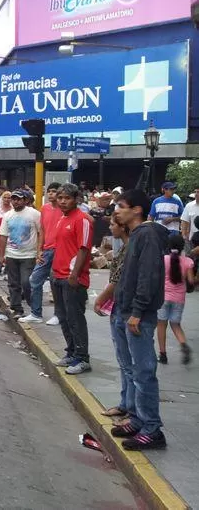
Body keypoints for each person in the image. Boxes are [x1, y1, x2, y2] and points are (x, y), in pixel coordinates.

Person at [110, 188, 169, 450]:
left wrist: (137, 311)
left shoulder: (148, 234)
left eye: (121, 206)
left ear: (137, 210)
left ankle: (152, 429)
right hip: (126, 311)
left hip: (138, 315)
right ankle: (136, 418)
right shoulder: (136, 235)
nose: (117, 210)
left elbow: (148, 276)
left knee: (144, 372)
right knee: (133, 369)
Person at [49, 183, 94, 375]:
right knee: (63, 317)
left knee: (75, 318)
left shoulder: (82, 220)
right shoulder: (62, 218)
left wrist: (74, 274)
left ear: (76, 199)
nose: (63, 201)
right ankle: (71, 352)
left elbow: (84, 249)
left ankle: (82, 358)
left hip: (72, 278)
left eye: (67, 198)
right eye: (60, 198)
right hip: (57, 275)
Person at [93, 214, 132, 420]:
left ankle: (132, 409)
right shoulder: (124, 248)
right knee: (124, 361)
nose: (110, 227)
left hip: (127, 309)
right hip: (119, 306)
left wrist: (100, 298)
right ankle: (126, 404)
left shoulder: (131, 250)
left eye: (113, 224)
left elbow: (116, 280)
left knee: (129, 363)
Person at [0, 189, 42, 319]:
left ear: (25, 200)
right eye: (14, 199)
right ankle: (17, 308)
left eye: (19, 199)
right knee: (13, 283)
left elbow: (41, 233)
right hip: (11, 254)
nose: (16, 201)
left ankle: (33, 306)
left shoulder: (34, 214)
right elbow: (3, 236)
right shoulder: (8, 216)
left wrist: (39, 251)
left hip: (29, 255)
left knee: (26, 282)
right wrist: (1, 255)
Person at [28, 182, 63, 325]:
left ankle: (58, 314)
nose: (51, 194)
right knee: (35, 280)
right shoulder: (45, 208)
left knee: (56, 284)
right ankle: (36, 313)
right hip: (47, 250)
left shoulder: (64, 210)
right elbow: (42, 230)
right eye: (49, 191)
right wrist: (39, 250)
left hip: (60, 250)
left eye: (54, 191)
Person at [156, 234, 193, 365]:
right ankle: (183, 344)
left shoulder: (163, 259)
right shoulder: (188, 261)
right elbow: (191, 281)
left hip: (164, 297)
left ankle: (163, 354)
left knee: (161, 325)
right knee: (176, 324)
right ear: (183, 247)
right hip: (179, 298)